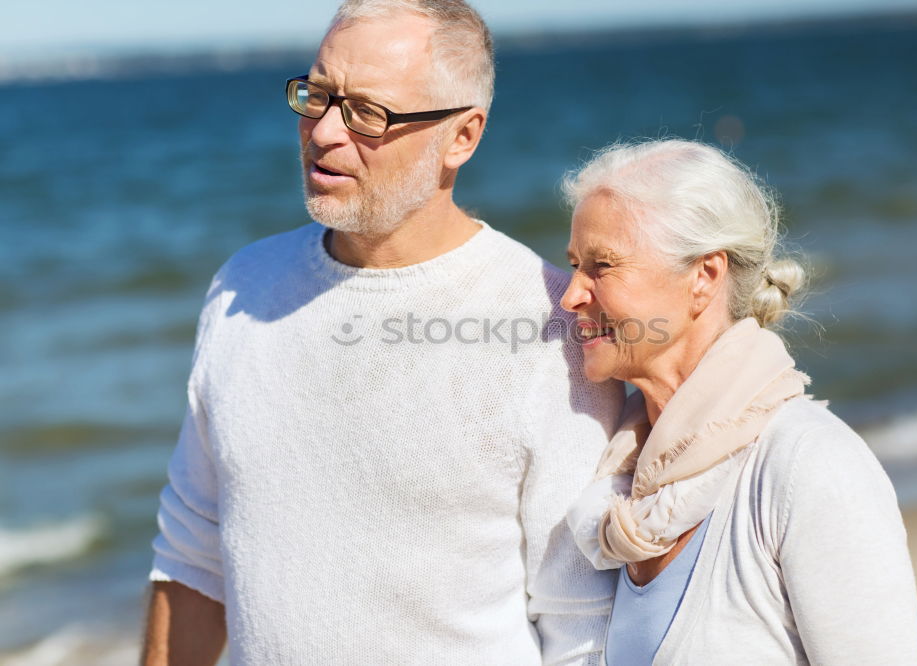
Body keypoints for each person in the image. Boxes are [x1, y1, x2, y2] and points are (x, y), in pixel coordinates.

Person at [141, 1, 623, 664]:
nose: (325, 132)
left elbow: (581, 621)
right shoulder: (242, 287)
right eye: (318, 96)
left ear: (462, 136)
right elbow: (194, 554)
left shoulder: (547, 326)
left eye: (368, 112)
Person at [560, 139, 917, 665]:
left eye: (602, 266)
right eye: (574, 264)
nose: (571, 295)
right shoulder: (625, 481)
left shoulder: (808, 464)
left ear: (704, 278)